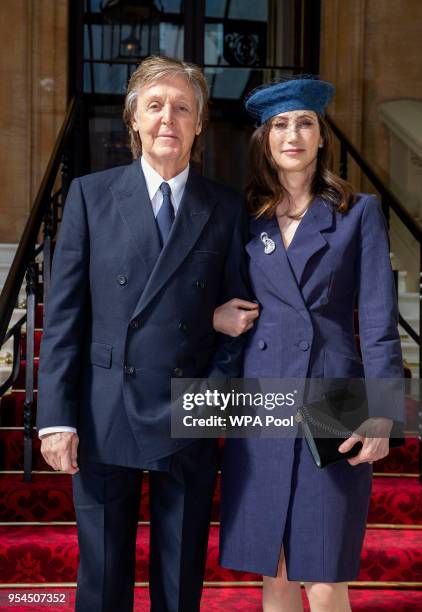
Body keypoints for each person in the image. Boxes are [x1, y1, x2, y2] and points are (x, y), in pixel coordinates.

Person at [36, 55, 250, 612]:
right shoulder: (90, 195)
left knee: (179, 588)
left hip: (190, 410)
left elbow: (240, 321)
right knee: (102, 582)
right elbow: (63, 319)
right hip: (105, 411)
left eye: (182, 108)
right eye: (154, 106)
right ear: (133, 119)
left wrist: (214, 400)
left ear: (200, 123)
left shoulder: (226, 209)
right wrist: (56, 418)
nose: (167, 120)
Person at [213, 77, 403, 612]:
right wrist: (214, 316)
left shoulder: (357, 212)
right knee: (274, 572)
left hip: (334, 396)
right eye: (279, 125)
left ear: (321, 137)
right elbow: (214, 291)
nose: (291, 134)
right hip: (264, 397)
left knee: (322, 574)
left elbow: (381, 321)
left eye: (304, 123)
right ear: (264, 140)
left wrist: (383, 413)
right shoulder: (245, 217)